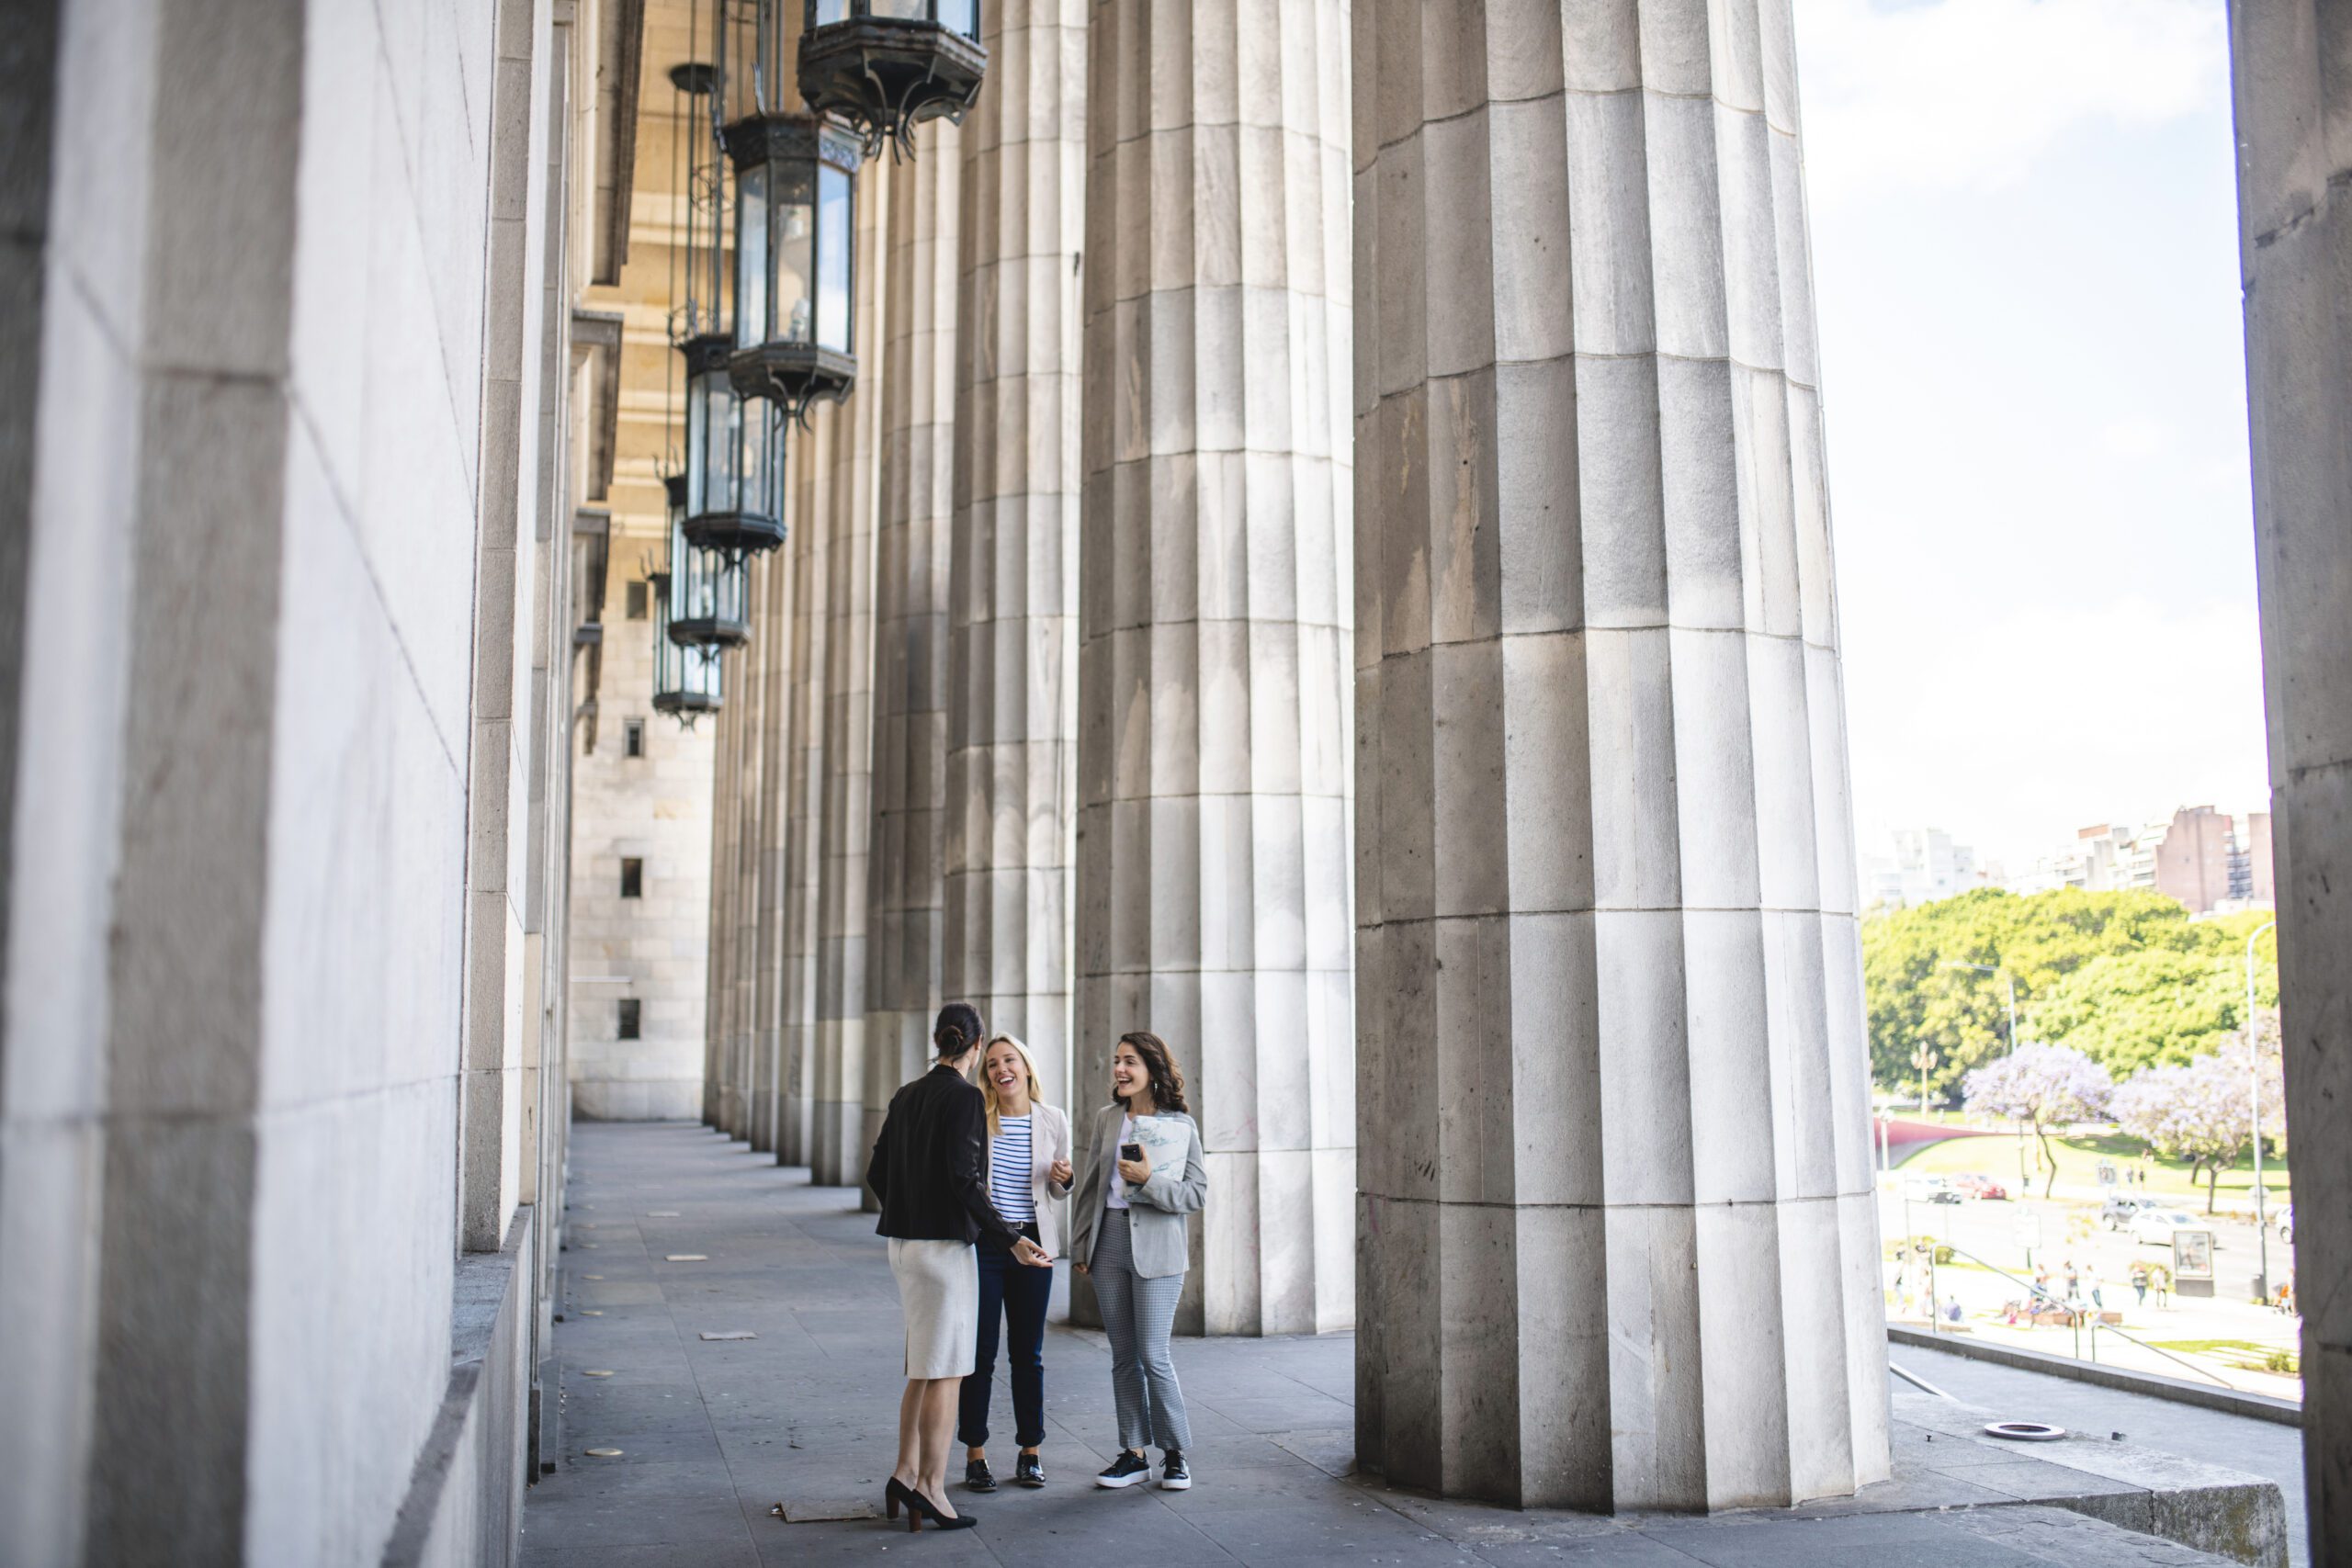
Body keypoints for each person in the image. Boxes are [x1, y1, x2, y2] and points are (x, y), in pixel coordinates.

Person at [867, 1003, 1053, 1532]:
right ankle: (930, 1488)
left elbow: (877, 1170)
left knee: (922, 1368)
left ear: (938, 1041)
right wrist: (1011, 1239)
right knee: (948, 1371)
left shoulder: (906, 1095)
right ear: (974, 1051)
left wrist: (907, 1208)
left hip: (903, 1246)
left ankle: (905, 1473)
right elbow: (965, 1179)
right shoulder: (967, 1097)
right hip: (943, 1252)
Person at [1069, 1031, 1207, 1493]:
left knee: (1154, 1354)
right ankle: (1133, 1453)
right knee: (1123, 1356)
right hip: (1108, 1241)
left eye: (1130, 1062)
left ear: (1153, 1069)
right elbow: (1091, 1185)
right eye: (1116, 1061)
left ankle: (1175, 1453)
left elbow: (1195, 1194)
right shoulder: (1108, 1119)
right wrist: (1083, 1243)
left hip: (1159, 1250)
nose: (1120, 1070)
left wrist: (1149, 1181)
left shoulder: (1180, 1126)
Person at [959, 1033, 1074, 1493]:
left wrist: (1063, 1180)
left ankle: (1031, 1452)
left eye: (1009, 1060)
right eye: (991, 1064)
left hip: (1034, 1245)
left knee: (1028, 1354)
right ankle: (976, 1454)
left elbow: (1057, 1191)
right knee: (980, 1353)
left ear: (1026, 1067)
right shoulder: (978, 1119)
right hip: (987, 1244)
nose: (1001, 1069)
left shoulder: (1053, 1119)